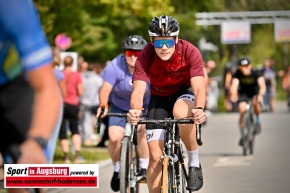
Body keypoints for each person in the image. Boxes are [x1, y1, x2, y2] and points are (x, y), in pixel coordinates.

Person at [127, 15, 206, 193]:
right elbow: (138, 90)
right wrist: (135, 110)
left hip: (184, 93)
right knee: (155, 156)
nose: (163, 48)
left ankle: (194, 162)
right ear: (151, 41)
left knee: (181, 113)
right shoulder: (145, 55)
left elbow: (200, 88)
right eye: (158, 43)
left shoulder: (190, 51)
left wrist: (199, 109)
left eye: (168, 43)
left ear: (176, 40)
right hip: (159, 98)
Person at [0, 1, 61, 193]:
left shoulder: (12, 8)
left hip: (11, 88)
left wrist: (36, 142)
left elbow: (47, 87)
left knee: (26, 173)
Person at [96, 35, 151, 192]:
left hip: (143, 106)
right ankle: (117, 169)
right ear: (124, 54)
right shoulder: (115, 66)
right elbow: (105, 89)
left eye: (138, 53)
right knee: (114, 138)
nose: (133, 57)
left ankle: (143, 167)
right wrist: (103, 104)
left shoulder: (151, 65)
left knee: (142, 130)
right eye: (129, 53)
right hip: (119, 107)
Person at [230, 57, 266, 145]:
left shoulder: (256, 72)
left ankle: (257, 120)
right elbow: (234, 86)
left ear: (250, 66)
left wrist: (260, 95)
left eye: (246, 66)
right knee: (242, 110)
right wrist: (233, 95)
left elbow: (262, 85)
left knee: (256, 104)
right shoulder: (237, 74)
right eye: (242, 66)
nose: (244, 68)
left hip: (255, 93)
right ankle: (242, 136)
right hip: (243, 95)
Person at [59, 56, 83, 164]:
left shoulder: (59, 74)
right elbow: (81, 92)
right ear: (72, 63)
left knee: (62, 131)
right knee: (75, 129)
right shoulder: (77, 75)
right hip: (73, 104)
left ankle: (66, 157)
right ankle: (77, 156)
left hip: (61, 104)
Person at [79, 61, 103, 146]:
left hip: (84, 102)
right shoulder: (98, 79)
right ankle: (100, 137)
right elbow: (102, 90)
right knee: (99, 120)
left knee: (86, 121)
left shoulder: (82, 77)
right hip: (94, 102)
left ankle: (87, 138)